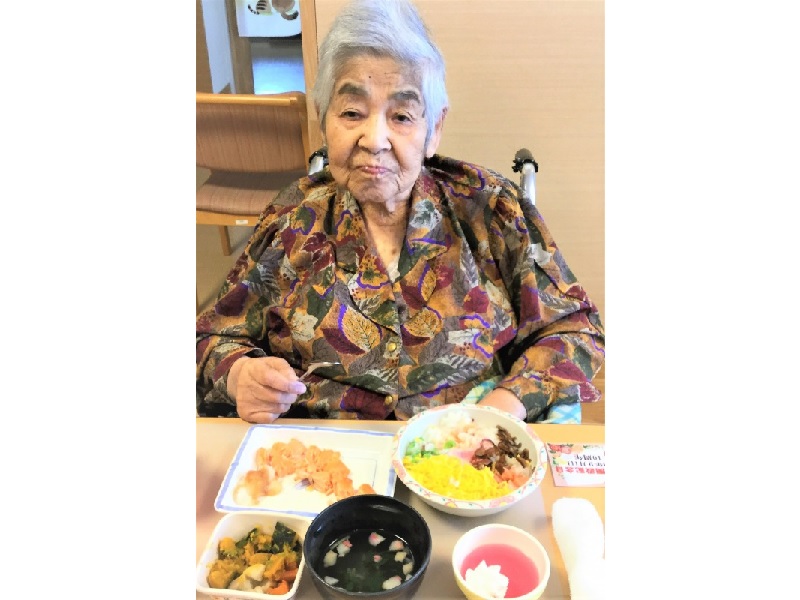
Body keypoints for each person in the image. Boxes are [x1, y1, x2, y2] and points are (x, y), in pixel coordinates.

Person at [196, 0, 605, 424]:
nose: (374, 140)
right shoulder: (292, 220)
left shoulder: (490, 210)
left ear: (434, 130)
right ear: (323, 120)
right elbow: (208, 338)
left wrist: (502, 406)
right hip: (327, 453)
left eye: (402, 116)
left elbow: (575, 329)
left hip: (469, 447)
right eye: (352, 112)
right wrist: (240, 375)